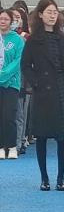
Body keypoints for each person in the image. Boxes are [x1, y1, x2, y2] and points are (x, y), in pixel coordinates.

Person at [21, 0, 64, 191]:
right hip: (42, 92)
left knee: (62, 137)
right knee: (42, 136)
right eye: (48, 12)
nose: (52, 15)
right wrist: (36, 83)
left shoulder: (62, 38)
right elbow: (25, 66)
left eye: (55, 12)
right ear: (40, 14)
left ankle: (60, 178)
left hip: (61, 89)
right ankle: (44, 178)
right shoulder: (33, 40)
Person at [0, 9, 23, 159]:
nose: (2, 21)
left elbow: (18, 61)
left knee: (9, 116)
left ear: (11, 22)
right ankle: (1, 146)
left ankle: (12, 146)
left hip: (11, 83)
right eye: (0, 19)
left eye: (6, 19)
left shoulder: (17, 40)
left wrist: (3, 75)